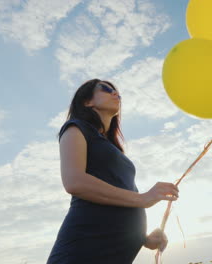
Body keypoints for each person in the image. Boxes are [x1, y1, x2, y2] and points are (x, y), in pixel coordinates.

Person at [47, 79, 179, 264]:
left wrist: (144, 239)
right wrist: (143, 198)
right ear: (87, 102)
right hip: (82, 251)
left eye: (117, 92)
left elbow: (119, 196)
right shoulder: (76, 128)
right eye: (107, 89)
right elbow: (74, 181)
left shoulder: (111, 147)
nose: (116, 94)